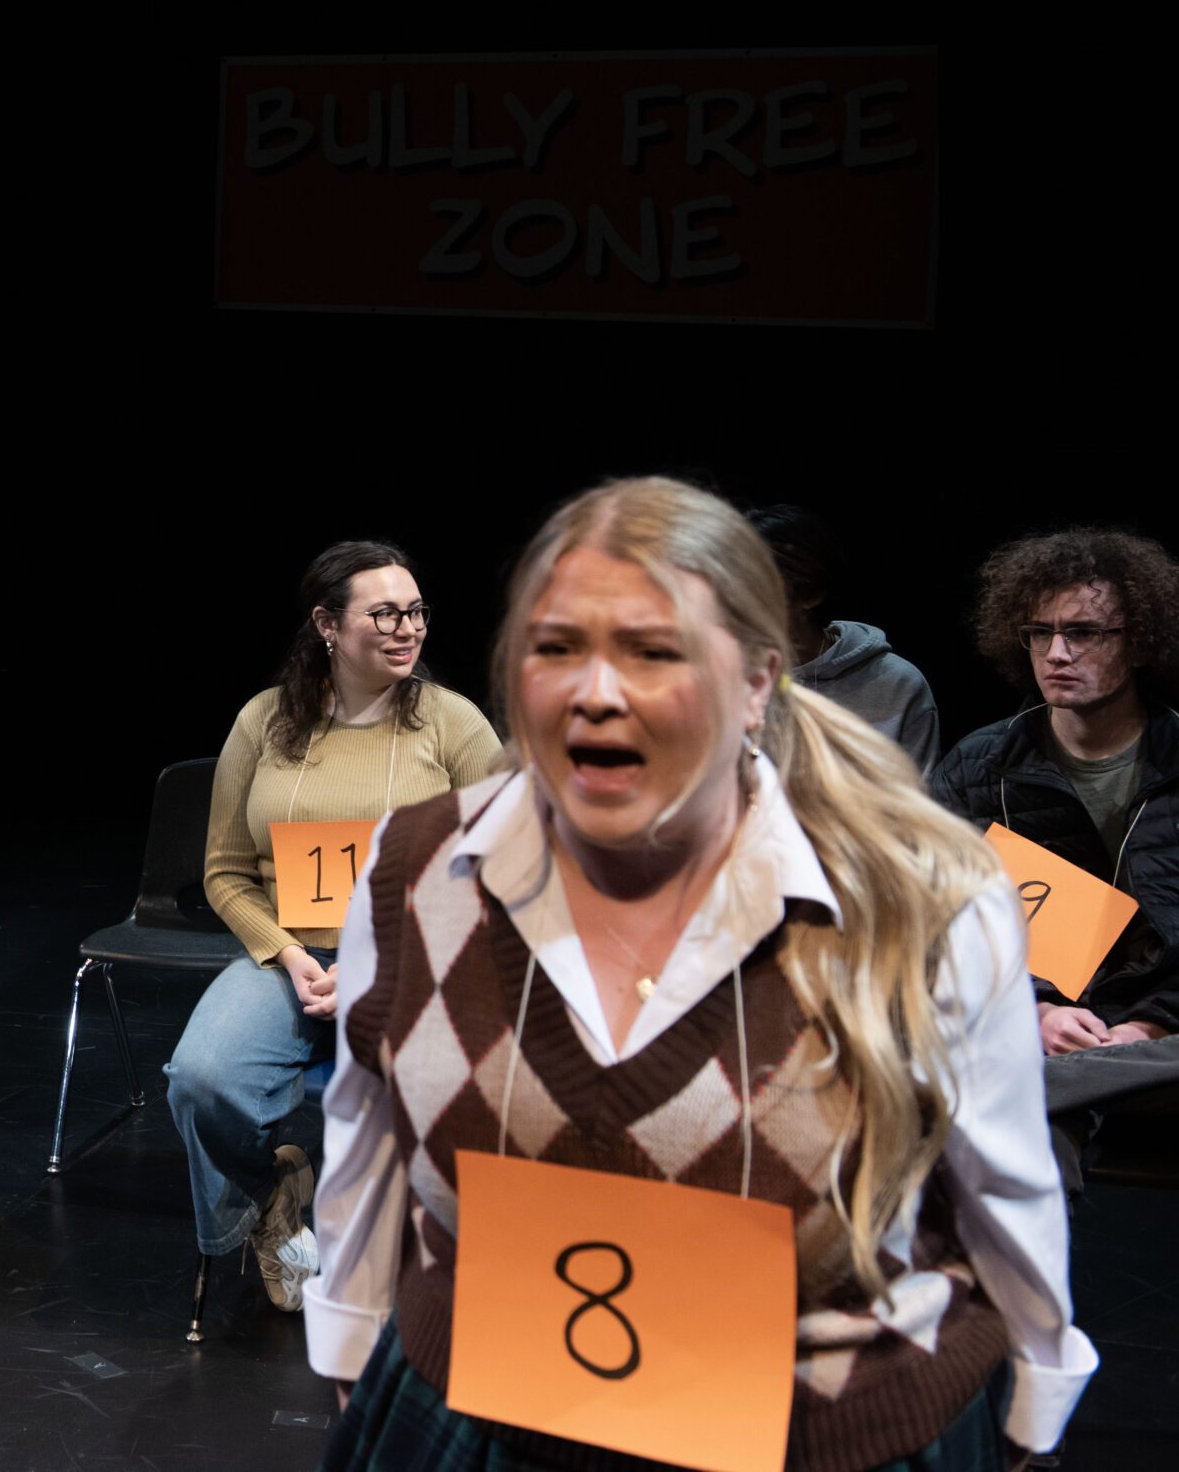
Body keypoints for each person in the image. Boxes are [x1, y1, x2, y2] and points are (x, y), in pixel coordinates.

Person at [307, 479, 1092, 1469]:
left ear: (758, 681)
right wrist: (347, 1328)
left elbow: (1002, 1185)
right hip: (481, 1416)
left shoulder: (923, 901)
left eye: (652, 650)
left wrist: (1035, 1393)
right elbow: (368, 1122)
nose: (596, 688)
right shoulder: (416, 866)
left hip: (826, 1435)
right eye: (555, 646)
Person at [172, 543, 500, 1311]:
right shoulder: (265, 720)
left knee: (440, 1089)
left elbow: (502, 865)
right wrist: (287, 955)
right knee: (201, 1080)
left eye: (416, 611)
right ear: (326, 624)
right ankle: (275, 1194)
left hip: (415, 950)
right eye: (384, 613)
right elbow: (223, 869)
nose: (406, 628)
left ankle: (429, 1269)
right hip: (292, 953)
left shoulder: (451, 723)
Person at [926, 529, 1179, 1181]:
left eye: (1086, 633)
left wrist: (1151, 1023)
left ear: (1139, 641)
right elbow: (935, 921)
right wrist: (1034, 1008)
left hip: (1161, 1039)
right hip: (1030, 1030)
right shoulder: (981, 768)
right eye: (1040, 632)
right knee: (1008, 1106)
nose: (1057, 653)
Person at [747, 503, 941, 772]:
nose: (734, 600)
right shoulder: (719, 677)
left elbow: (914, 804)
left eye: (752, 584)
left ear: (810, 594)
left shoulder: (896, 685)